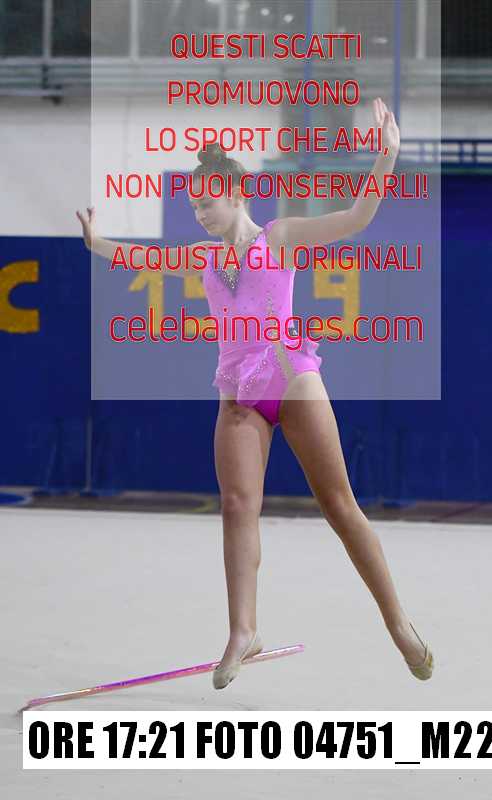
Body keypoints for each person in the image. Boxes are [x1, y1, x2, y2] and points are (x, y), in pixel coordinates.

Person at [77, 97, 434, 690]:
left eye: (207, 202)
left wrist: (386, 157)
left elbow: (356, 218)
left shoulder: (282, 236)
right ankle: (243, 629)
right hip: (238, 391)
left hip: (292, 377)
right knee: (238, 505)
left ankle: (398, 623)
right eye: (193, 206)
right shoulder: (205, 256)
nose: (199, 214)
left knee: (339, 505)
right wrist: (98, 244)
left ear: (236, 194)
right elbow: (147, 258)